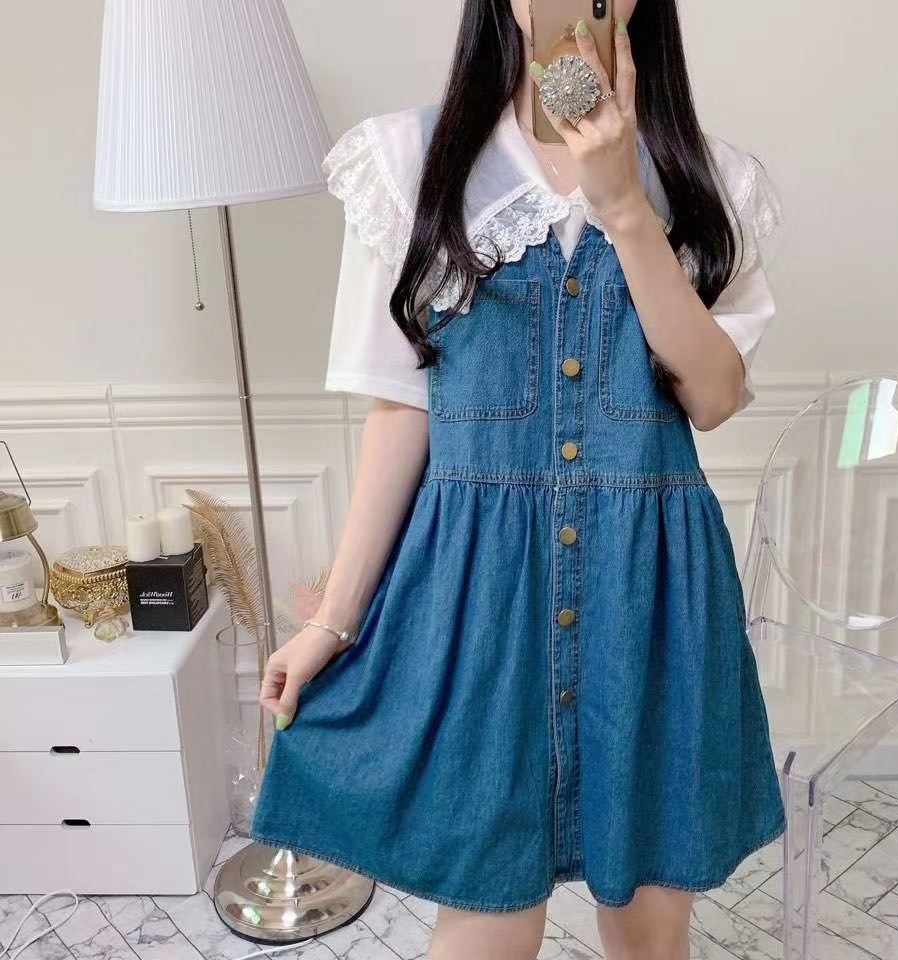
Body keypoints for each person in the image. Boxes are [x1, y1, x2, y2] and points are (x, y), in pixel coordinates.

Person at [250, 1, 787, 957]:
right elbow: (400, 413)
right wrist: (331, 621)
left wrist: (625, 206)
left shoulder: (713, 181)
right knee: (485, 916)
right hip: (478, 600)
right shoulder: (407, 165)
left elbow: (712, 397)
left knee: (652, 922)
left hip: (654, 599)